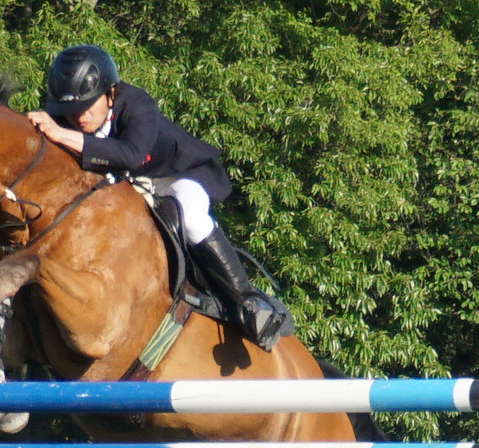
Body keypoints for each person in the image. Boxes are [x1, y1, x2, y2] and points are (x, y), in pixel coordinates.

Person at [26, 44, 292, 351]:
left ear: (110, 93)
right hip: (126, 186)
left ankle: (249, 303)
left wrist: (60, 134)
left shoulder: (137, 104)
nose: (79, 117)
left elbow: (131, 155)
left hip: (176, 176)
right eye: (71, 111)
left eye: (88, 106)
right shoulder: (64, 116)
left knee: (190, 216)